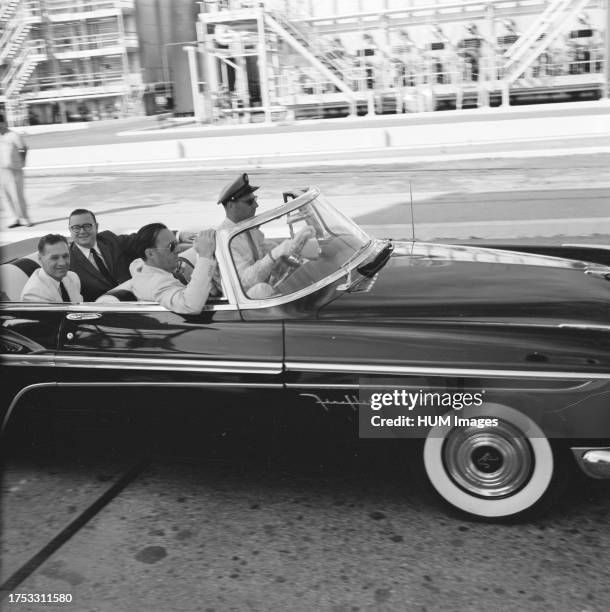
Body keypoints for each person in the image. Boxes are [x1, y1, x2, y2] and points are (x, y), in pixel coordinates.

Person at [68, 208, 198, 301]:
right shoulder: (67, 261)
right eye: (76, 228)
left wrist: (178, 236)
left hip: (144, 297)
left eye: (87, 226)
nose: (82, 231)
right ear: (70, 230)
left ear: (96, 226)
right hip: (107, 312)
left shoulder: (109, 239)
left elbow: (141, 239)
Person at [216, 173, 313, 294]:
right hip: (247, 300)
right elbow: (244, 282)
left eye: (254, 199)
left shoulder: (248, 227)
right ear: (231, 206)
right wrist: (274, 254)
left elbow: (264, 249)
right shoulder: (223, 239)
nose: (256, 205)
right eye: (250, 201)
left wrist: (293, 246)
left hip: (267, 287)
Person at [129, 223, 216, 314]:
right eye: (171, 246)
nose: (178, 250)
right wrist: (205, 256)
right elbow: (189, 305)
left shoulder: (138, 265)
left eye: (176, 244)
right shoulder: (157, 284)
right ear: (150, 254)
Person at [21, 234, 82, 303]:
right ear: (40, 258)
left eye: (65, 256)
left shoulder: (72, 277)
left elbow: (78, 308)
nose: (62, 263)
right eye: (54, 258)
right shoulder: (34, 294)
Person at [0, 114, 31, 228]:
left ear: (3, 123)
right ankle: (13, 219)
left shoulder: (13, 135)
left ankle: (24, 219)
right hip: (1, 171)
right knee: (5, 196)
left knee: (17, 196)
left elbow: (23, 148)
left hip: (14, 170)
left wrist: (22, 161)